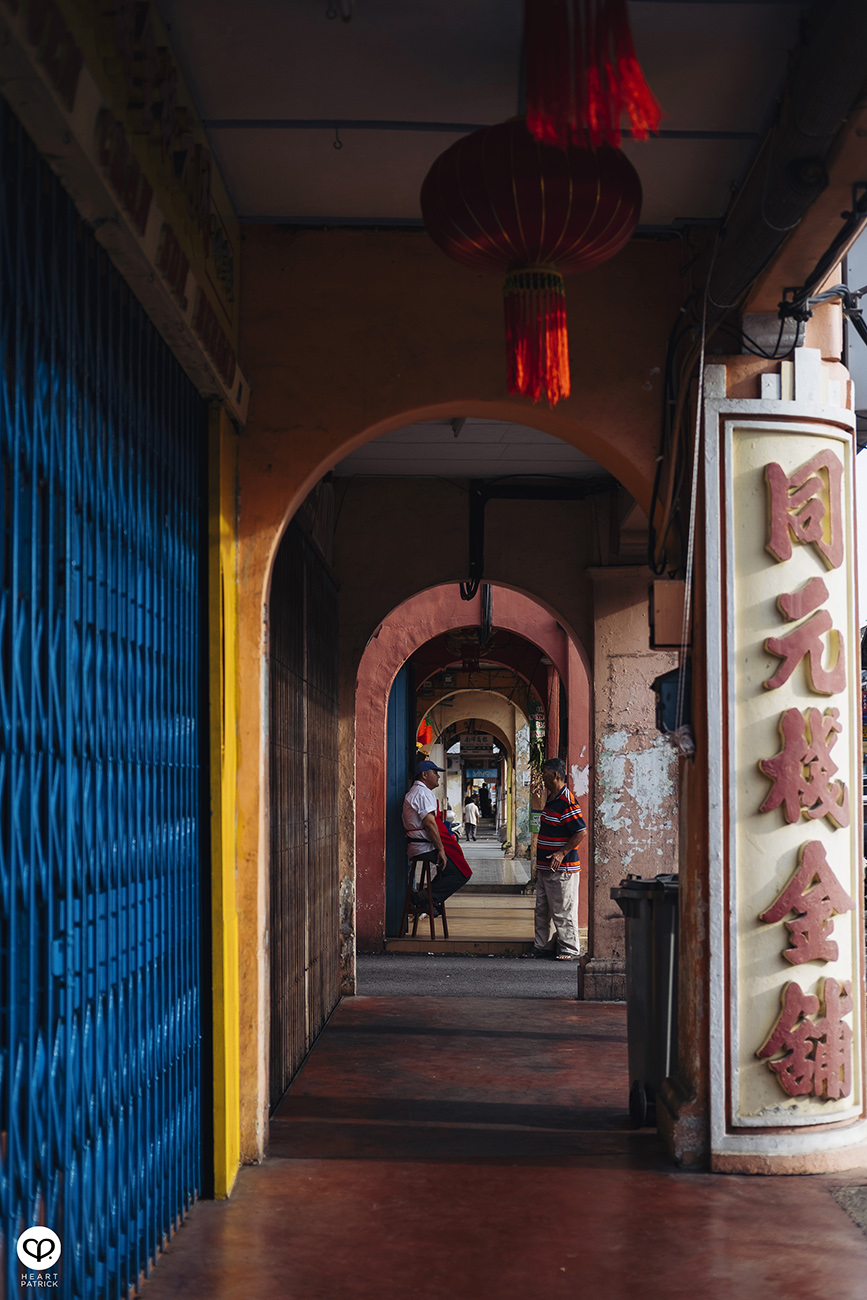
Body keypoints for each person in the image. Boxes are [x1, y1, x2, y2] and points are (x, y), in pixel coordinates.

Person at [529, 756, 586, 960]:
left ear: (554, 775)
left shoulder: (566, 800)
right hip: (545, 867)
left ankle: (569, 947)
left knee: (563, 910)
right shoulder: (552, 798)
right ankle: (541, 945)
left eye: (544, 773)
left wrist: (562, 853)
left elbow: (581, 831)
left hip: (562, 868)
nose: (542, 777)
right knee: (542, 909)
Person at [403, 760, 469, 916]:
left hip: (422, 845)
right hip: (424, 847)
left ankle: (428, 900)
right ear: (425, 775)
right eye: (435, 773)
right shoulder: (422, 793)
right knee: (461, 874)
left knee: (449, 872)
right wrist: (441, 849)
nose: (438, 777)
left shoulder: (420, 792)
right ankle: (423, 897)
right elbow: (430, 824)